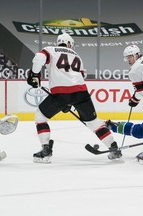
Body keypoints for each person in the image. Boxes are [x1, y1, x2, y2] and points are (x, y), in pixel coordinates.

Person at [27, 32, 122, 163]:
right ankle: (114, 148)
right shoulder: (77, 56)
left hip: (60, 93)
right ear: (69, 43)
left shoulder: (50, 50)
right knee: (94, 122)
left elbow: (38, 58)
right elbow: (80, 77)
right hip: (81, 93)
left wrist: (34, 74)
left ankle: (46, 150)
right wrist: (71, 102)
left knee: (40, 117)